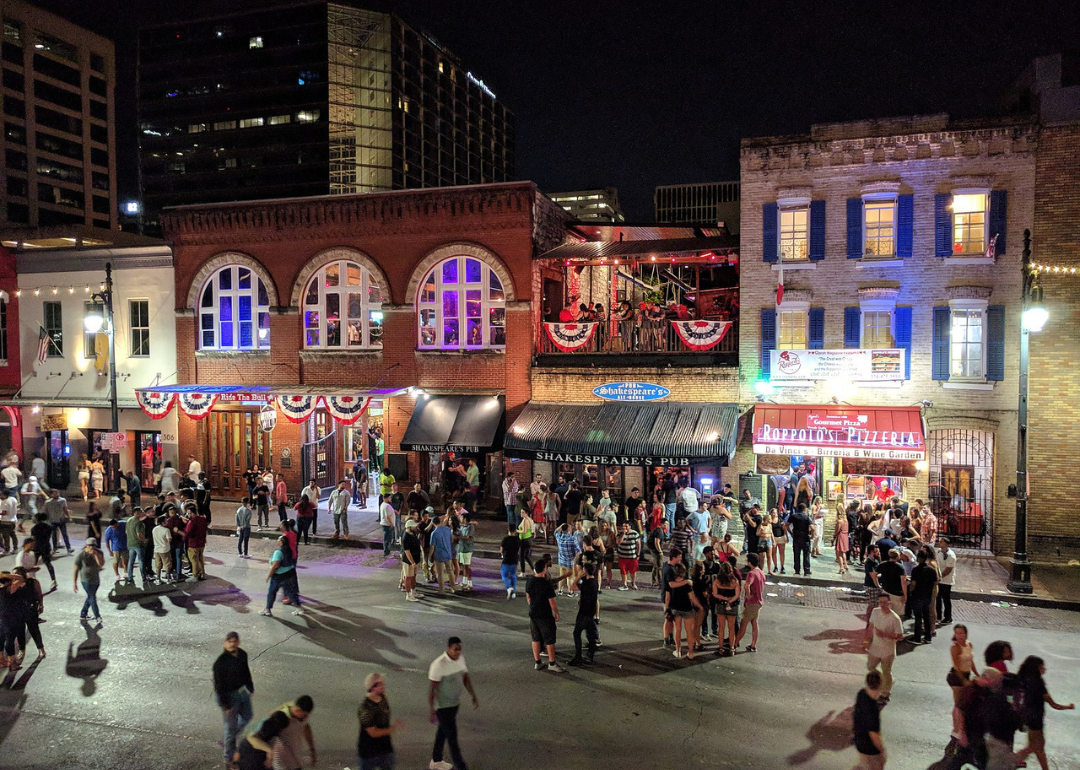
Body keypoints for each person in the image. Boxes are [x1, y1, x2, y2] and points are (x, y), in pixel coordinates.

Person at [428, 636, 479, 770]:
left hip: (454, 704)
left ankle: (436, 760)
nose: (458, 652)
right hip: (443, 707)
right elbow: (432, 688)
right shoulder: (438, 665)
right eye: (455, 649)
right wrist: (432, 709)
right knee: (452, 738)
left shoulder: (461, 659)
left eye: (460, 650)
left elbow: (465, 678)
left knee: (442, 732)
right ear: (448, 649)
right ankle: (461, 766)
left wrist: (473, 695)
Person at [1016, 656, 1075, 770]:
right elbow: (1053, 704)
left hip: (1028, 716)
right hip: (1035, 719)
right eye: (1042, 666)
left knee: (1037, 747)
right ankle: (1010, 762)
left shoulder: (1025, 680)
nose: (1045, 669)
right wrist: (1068, 707)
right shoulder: (1037, 683)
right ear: (1037, 668)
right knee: (1034, 746)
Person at [213, 631, 255, 768]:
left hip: (242, 692)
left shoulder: (242, 654)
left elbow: (246, 671)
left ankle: (229, 740)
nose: (232, 644)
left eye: (234, 641)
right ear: (225, 643)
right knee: (230, 729)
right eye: (229, 641)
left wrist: (250, 687)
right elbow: (219, 686)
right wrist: (226, 706)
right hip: (228, 697)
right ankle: (228, 759)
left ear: (238, 642)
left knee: (248, 716)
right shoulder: (220, 663)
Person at [526, 558, 564, 672]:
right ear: (545, 569)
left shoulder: (530, 581)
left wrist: (532, 605)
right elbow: (552, 601)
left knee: (536, 638)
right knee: (549, 639)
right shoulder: (546, 584)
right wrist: (556, 612)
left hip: (533, 613)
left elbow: (528, 596)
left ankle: (537, 662)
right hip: (545, 614)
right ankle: (552, 663)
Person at [358, 673, 403, 770]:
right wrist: (392, 728)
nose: (383, 686)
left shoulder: (382, 698)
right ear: (373, 687)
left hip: (385, 747)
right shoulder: (365, 708)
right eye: (380, 684)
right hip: (369, 751)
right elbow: (372, 732)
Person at [866, 593, 904, 704]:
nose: (882, 604)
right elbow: (870, 626)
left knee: (886, 671)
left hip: (888, 650)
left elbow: (900, 636)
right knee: (871, 667)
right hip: (875, 648)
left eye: (885, 602)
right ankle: (885, 681)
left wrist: (885, 635)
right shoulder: (875, 612)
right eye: (880, 602)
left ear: (889, 602)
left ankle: (885, 693)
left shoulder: (895, 618)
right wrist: (866, 641)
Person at [261, 535, 302, 617]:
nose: (277, 542)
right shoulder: (289, 550)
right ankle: (299, 607)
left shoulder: (278, 552)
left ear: (282, 542)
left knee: (272, 592)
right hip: (289, 574)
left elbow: (276, 565)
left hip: (278, 576)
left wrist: (269, 575)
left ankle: (268, 609)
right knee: (290, 592)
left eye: (278, 540)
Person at [272, 695, 317, 770]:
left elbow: (306, 728)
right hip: (280, 759)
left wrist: (312, 750)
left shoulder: (302, 717)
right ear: (297, 710)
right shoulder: (281, 716)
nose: (306, 717)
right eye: (304, 715)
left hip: (295, 759)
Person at [568, 562, 600, 666]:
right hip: (590, 611)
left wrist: (578, 577)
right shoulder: (594, 582)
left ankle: (578, 657)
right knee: (590, 635)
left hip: (584, 612)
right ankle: (590, 656)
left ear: (585, 571)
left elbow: (573, 586)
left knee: (577, 633)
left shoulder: (586, 582)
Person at [853, 671, 887, 769]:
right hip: (870, 749)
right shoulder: (873, 710)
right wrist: (882, 750)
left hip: (859, 742)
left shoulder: (861, 693)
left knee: (865, 765)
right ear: (880, 685)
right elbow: (874, 734)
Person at [735, 552, 765, 652]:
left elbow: (747, 585)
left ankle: (734, 643)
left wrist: (748, 596)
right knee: (754, 623)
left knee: (744, 623)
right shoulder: (761, 572)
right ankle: (753, 644)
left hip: (752, 602)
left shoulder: (751, 573)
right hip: (759, 601)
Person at [908, 549, 938, 644]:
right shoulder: (931, 570)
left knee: (918, 617)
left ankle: (917, 638)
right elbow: (936, 582)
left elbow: (913, 584)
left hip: (917, 595)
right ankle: (928, 637)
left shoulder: (916, 570)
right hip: (927, 596)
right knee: (926, 616)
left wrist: (910, 591)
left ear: (918, 558)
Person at [72, 537, 105, 622]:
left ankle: (83, 614)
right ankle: (97, 616)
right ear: (86, 545)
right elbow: (76, 569)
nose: (92, 547)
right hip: (86, 580)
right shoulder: (81, 555)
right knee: (92, 597)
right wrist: (74, 583)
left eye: (94, 545)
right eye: (90, 545)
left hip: (96, 580)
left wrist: (96, 555)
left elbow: (101, 564)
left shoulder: (99, 552)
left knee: (90, 597)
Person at [948, 624, 978, 704]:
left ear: (966, 634)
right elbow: (956, 666)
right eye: (956, 633)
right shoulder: (955, 647)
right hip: (957, 676)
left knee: (966, 700)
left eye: (961, 633)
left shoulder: (969, 644)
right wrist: (963, 680)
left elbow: (971, 661)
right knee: (958, 702)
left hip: (967, 674)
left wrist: (976, 673)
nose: (959, 636)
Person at [29, 515, 57, 588]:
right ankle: (53, 580)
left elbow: (33, 539)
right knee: (48, 563)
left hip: (37, 547)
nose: (32, 519)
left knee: (32, 564)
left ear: (37, 519)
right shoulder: (48, 527)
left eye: (33, 518)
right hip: (46, 546)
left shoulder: (34, 528)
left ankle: (29, 580)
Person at [430, 514, 455, 594]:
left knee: (440, 573)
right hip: (448, 552)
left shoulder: (434, 533)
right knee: (450, 570)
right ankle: (453, 587)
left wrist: (430, 555)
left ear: (433, 523)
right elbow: (451, 539)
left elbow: (432, 546)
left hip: (439, 554)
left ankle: (441, 589)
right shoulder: (447, 529)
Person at [935, 536, 957, 625]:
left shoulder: (951, 555)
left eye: (941, 542)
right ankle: (938, 615)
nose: (939, 543)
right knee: (938, 598)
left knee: (946, 599)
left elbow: (948, 569)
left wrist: (940, 577)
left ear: (946, 543)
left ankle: (948, 617)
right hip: (939, 580)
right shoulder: (939, 552)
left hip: (946, 581)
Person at [788, 503, 813, 576]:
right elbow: (813, 528)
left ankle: (797, 570)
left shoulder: (793, 516)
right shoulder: (806, 517)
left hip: (796, 537)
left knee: (796, 554)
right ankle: (807, 570)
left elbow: (786, 525)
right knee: (806, 555)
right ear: (805, 509)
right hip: (805, 537)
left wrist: (791, 533)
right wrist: (812, 536)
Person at [401, 519, 422, 602]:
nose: (415, 527)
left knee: (413, 576)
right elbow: (407, 551)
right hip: (409, 561)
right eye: (414, 526)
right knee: (408, 577)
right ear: (409, 527)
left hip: (416, 559)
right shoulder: (406, 537)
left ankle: (413, 591)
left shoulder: (413, 533)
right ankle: (408, 594)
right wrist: (412, 562)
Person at [615, 521, 641, 590]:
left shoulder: (635, 534)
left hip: (632, 556)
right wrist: (623, 534)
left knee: (633, 571)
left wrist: (638, 554)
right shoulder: (620, 533)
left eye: (626, 526)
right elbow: (618, 542)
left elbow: (638, 544)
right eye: (623, 526)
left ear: (630, 526)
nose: (624, 528)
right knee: (623, 571)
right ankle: (624, 584)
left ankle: (633, 583)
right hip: (622, 556)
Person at [185, 508, 208, 580]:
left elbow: (188, 533)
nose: (188, 515)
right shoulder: (203, 519)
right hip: (201, 543)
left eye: (189, 513)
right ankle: (202, 574)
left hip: (193, 543)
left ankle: (195, 576)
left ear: (193, 513)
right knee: (200, 559)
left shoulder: (192, 522)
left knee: (194, 560)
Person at [151, 516, 172, 583]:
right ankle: (168, 578)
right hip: (165, 549)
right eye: (166, 521)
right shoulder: (166, 530)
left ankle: (158, 578)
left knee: (158, 564)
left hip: (156, 549)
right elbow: (169, 539)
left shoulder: (154, 529)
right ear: (163, 522)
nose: (167, 522)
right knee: (167, 564)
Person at [456, 513, 475, 590]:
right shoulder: (461, 527)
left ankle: (470, 583)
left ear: (465, 519)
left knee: (467, 566)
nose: (460, 519)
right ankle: (464, 581)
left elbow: (467, 537)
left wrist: (457, 537)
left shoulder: (470, 527)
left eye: (461, 517)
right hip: (461, 548)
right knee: (464, 566)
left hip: (467, 549)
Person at [0, 488, 17, 554]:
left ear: (5, 495)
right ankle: (15, 548)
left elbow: (4, 512)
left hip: (5, 521)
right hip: (13, 520)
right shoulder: (13, 499)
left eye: (1, 494)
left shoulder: (5, 502)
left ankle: (7, 550)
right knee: (13, 535)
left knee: (5, 536)